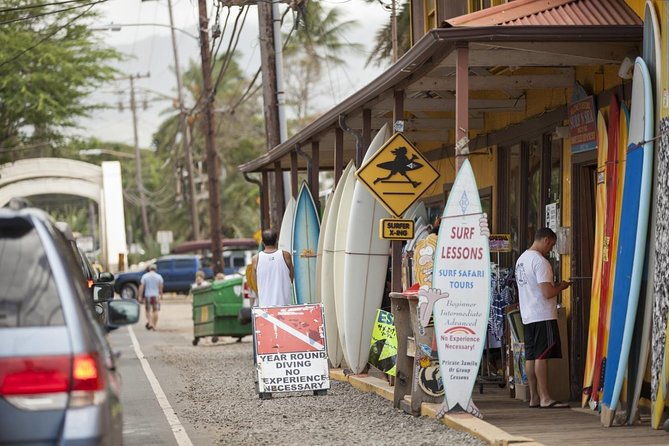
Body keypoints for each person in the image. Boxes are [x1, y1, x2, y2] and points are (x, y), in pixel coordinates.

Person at [515, 227, 571, 409]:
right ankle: (546, 397)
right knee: (541, 356)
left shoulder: (521, 260)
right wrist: (561, 286)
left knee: (531, 356)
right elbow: (547, 292)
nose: (551, 249)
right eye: (552, 245)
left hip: (528, 314)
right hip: (542, 314)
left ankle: (534, 397)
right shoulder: (540, 262)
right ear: (546, 240)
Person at [251, 228, 294, 307]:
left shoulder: (255, 259)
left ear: (262, 242)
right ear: (276, 241)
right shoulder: (286, 255)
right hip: (284, 306)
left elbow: (255, 283)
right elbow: (291, 278)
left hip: (265, 308)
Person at [138, 264, 164, 330]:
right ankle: (154, 325)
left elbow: (142, 286)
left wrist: (140, 296)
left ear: (149, 269)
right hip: (155, 296)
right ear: (155, 269)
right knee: (155, 311)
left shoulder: (145, 276)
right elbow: (161, 286)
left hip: (148, 295)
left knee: (147, 310)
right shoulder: (159, 276)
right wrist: (161, 294)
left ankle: (150, 323)